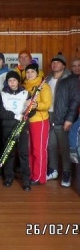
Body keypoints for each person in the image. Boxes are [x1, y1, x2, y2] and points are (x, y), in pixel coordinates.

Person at [46, 53, 80, 187]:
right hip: (49, 117)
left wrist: (70, 119)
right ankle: (53, 170)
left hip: (63, 118)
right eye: (53, 62)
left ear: (64, 65)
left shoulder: (71, 79)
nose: (55, 64)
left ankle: (67, 173)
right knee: (51, 146)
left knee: (65, 148)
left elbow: (75, 100)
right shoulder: (47, 78)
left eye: (58, 62)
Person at [0, 71, 33, 191]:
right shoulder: (2, 94)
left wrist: (32, 106)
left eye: (14, 80)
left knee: (23, 154)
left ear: (18, 81)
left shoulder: (26, 93)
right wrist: (14, 116)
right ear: (7, 82)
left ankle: (26, 181)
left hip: (22, 127)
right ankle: (8, 177)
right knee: (9, 154)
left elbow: (31, 112)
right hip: (8, 127)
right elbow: (2, 114)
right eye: (9, 80)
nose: (12, 83)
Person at [23, 63, 52, 185]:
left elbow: (47, 104)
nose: (29, 74)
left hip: (39, 121)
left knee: (38, 150)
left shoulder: (43, 86)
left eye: (32, 72)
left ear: (37, 73)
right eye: (27, 72)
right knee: (29, 149)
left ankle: (39, 176)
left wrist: (36, 105)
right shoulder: (24, 86)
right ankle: (31, 174)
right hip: (26, 121)